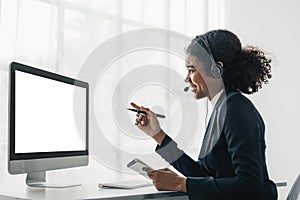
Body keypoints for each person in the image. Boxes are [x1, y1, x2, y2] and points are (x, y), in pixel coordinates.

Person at [130, 29, 278, 200]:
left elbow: (249, 185)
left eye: (191, 70)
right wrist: (157, 135)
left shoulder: (235, 110)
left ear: (216, 70)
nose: (187, 78)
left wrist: (180, 183)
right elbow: (204, 174)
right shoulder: (222, 108)